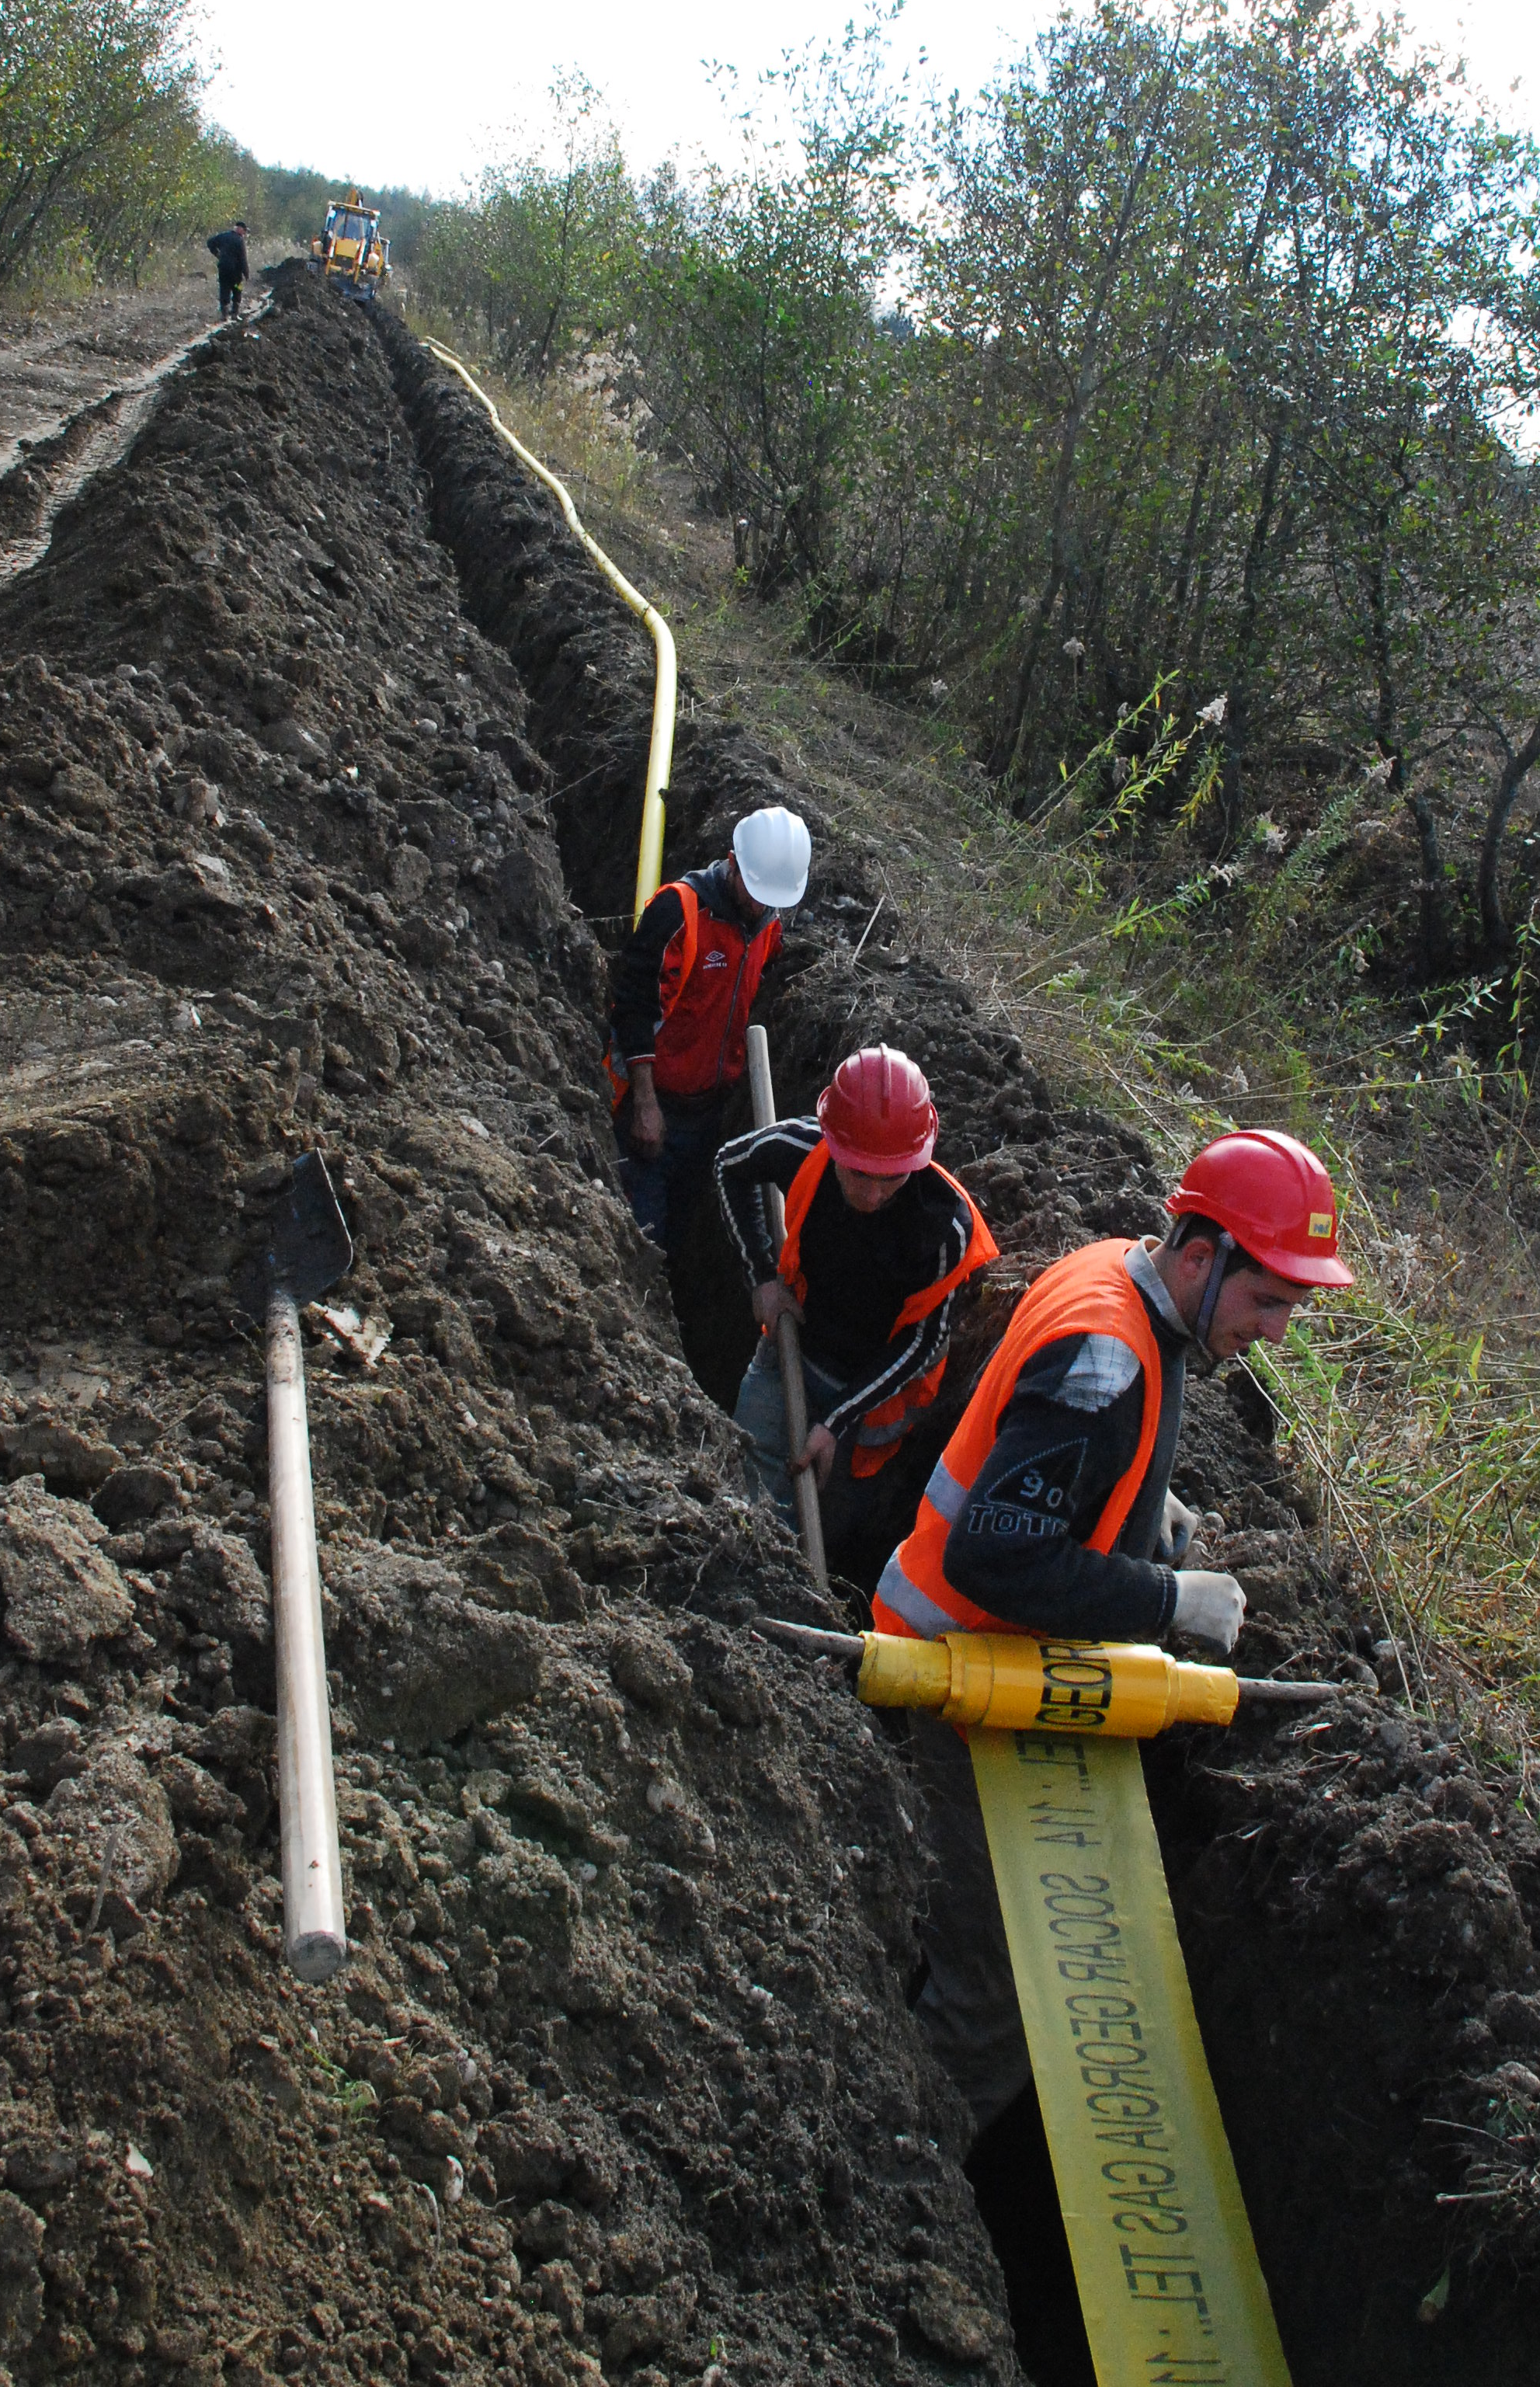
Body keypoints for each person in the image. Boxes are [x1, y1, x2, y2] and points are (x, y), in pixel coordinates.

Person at [874, 1127, 1354, 2136]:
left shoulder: (1116, 1274)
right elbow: (997, 1559)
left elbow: (1048, 1453)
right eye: (1268, 1300)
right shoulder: (1104, 1361)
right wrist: (1169, 1600)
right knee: (1001, 1997)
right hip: (961, 1672)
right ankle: (899, 2166)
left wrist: (1136, 1503)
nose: (1276, 1332)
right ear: (1200, 1256)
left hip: (997, 1662)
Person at [714, 1044, 997, 1543]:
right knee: (740, 1488)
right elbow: (729, 1166)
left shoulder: (945, 1229)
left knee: (832, 1522)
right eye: (857, 1173)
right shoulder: (802, 1149)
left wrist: (836, 1421)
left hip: (874, 1399)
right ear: (832, 1141)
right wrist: (761, 1277)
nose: (871, 1195)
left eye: (891, 1179)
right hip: (793, 1349)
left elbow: (922, 1343)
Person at [603, 804, 811, 1253]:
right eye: (754, 892)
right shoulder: (679, 911)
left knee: (680, 1237)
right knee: (645, 1241)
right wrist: (645, 1105)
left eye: (771, 898)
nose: (760, 906)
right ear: (733, 863)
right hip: (654, 1107)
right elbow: (634, 1008)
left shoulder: (767, 924)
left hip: (709, 1116)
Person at [207, 217, 252, 321]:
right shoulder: (239, 240)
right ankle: (235, 313)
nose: (244, 233)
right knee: (238, 290)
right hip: (236, 272)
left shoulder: (223, 236)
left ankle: (224, 315)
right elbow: (243, 258)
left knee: (224, 289)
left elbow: (210, 242)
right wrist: (246, 273)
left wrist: (217, 254)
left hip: (223, 269)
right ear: (239, 229)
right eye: (244, 231)